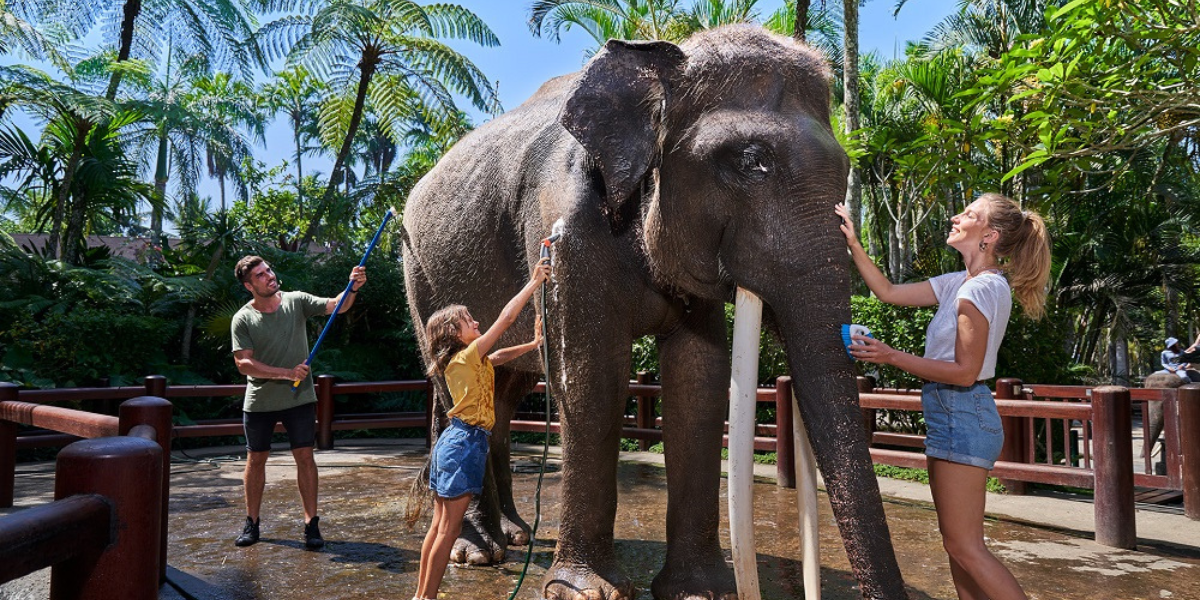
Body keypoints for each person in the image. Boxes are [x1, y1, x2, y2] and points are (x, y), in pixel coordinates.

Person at [836, 193, 1050, 600]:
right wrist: (854, 244)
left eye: (969, 214)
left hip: (962, 409)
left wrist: (889, 355)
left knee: (966, 547)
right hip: (950, 412)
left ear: (989, 235)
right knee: (958, 548)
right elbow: (889, 292)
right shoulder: (958, 283)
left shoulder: (980, 289)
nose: (956, 216)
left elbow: (965, 371)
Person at [413, 258, 550, 600]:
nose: (475, 322)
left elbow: (499, 356)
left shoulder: (462, 361)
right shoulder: (467, 355)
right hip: (465, 444)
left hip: (453, 440)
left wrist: (532, 347)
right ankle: (426, 598)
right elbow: (506, 320)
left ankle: (420, 597)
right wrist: (534, 282)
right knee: (449, 530)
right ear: (453, 333)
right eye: (467, 320)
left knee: (438, 527)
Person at [230, 255, 366, 550]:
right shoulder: (243, 318)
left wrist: (352, 287)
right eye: (261, 275)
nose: (269, 275)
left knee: (305, 457)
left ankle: (311, 524)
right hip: (260, 400)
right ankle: (252, 523)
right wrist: (286, 373)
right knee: (256, 460)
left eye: (268, 269)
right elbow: (244, 363)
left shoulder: (296, 301)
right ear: (248, 285)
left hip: (300, 398)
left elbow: (336, 306)